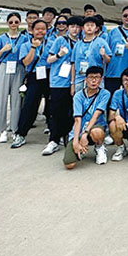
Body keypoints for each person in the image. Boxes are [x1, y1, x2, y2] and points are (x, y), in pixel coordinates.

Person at [42, 15, 82, 156]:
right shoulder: (60, 40)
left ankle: (67, 137)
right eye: (72, 26)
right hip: (58, 82)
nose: (75, 29)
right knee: (56, 112)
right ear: (67, 28)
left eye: (77, 27)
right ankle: (53, 140)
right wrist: (59, 54)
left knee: (70, 112)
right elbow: (49, 59)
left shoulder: (81, 43)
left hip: (74, 82)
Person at [10, 19, 51, 148]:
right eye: (37, 29)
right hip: (34, 76)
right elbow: (26, 62)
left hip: (49, 75)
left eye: (43, 29)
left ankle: (55, 134)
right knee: (30, 105)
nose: (40, 31)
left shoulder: (51, 43)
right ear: (32, 30)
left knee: (52, 105)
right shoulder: (25, 45)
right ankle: (21, 134)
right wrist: (33, 47)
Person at [62, 66, 111, 168]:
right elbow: (77, 120)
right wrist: (76, 141)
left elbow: (96, 114)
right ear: (85, 79)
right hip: (79, 128)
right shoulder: (78, 96)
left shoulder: (105, 94)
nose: (94, 80)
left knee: (96, 132)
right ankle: (80, 148)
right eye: (91, 77)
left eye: (97, 77)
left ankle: (99, 147)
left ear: (101, 79)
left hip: (95, 127)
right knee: (69, 164)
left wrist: (85, 134)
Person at [0, 12, 27, 143]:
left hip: (18, 68)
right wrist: (3, 50)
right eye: (11, 22)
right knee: (1, 98)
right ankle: (2, 130)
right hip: (4, 67)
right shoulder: (1, 38)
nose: (13, 24)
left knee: (17, 100)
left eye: (16, 22)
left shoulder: (24, 38)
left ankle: (14, 128)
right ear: (7, 23)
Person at [70, 16, 111, 93]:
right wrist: (72, 83)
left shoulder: (101, 42)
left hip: (96, 80)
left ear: (96, 28)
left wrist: (104, 55)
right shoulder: (78, 44)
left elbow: (108, 60)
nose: (89, 27)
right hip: (80, 79)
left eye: (92, 25)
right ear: (82, 28)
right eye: (87, 25)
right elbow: (73, 64)